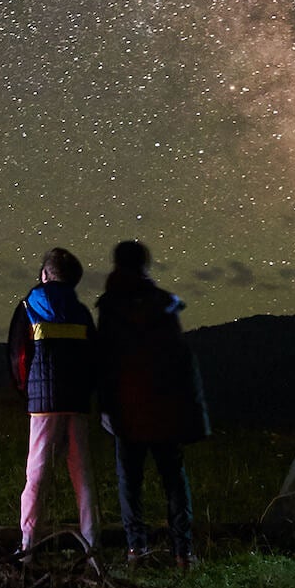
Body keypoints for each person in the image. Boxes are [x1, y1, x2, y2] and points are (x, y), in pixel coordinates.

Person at [94, 240, 209, 566]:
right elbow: (180, 360)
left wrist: (105, 406)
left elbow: (105, 362)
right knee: (173, 479)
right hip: (164, 409)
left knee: (130, 482)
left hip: (126, 410)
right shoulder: (163, 305)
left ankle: (136, 549)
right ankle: (182, 552)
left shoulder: (111, 307)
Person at [9, 247, 97, 553]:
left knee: (36, 474)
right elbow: (93, 358)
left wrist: (27, 390)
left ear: (45, 274)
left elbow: (19, 356)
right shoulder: (82, 312)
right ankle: (91, 544)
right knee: (82, 474)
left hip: (43, 404)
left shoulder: (29, 306)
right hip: (77, 401)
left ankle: (28, 544)